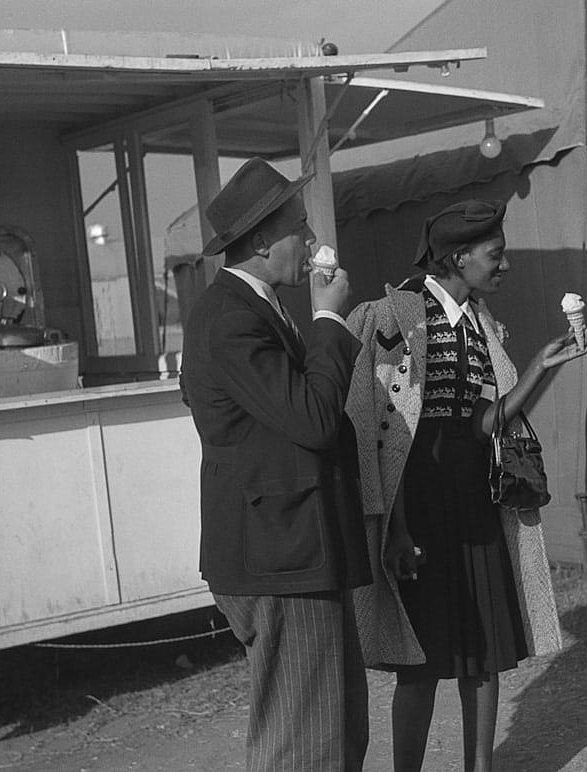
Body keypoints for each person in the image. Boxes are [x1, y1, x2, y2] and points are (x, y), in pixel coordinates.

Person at [345, 199, 587, 771]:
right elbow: (386, 436)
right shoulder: (399, 315)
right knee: (421, 659)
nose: (504, 267)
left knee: (483, 650)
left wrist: (539, 368)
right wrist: (397, 527)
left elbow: (481, 425)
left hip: (474, 500)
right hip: (418, 504)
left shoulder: (479, 324)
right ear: (459, 256)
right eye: (495, 256)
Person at [180, 158, 371, 771]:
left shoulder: (254, 309)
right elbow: (314, 419)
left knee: (338, 735)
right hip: (280, 558)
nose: (313, 243)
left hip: (297, 551)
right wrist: (331, 321)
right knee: (306, 747)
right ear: (262, 241)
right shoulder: (231, 318)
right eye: (300, 228)